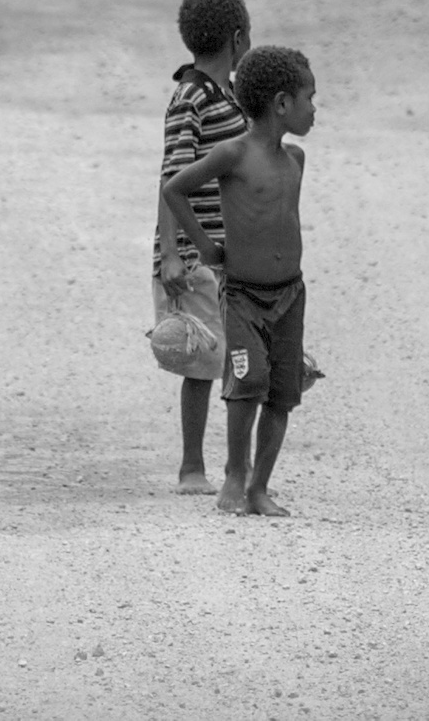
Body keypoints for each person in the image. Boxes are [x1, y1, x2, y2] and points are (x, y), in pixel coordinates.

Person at [161, 46, 316, 517]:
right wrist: (205, 249)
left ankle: (259, 488)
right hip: (245, 296)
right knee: (247, 384)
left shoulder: (296, 159)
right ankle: (235, 474)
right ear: (282, 104)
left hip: (290, 294)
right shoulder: (233, 153)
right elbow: (174, 188)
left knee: (283, 393)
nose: (315, 109)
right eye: (310, 97)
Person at [151, 0, 252, 494]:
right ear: (238, 38)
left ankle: (240, 469)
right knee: (200, 361)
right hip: (193, 254)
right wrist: (172, 254)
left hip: (229, 251)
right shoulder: (190, 97)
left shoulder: (228, 94)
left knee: (237, 356)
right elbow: (172, 175)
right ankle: (192, 466)